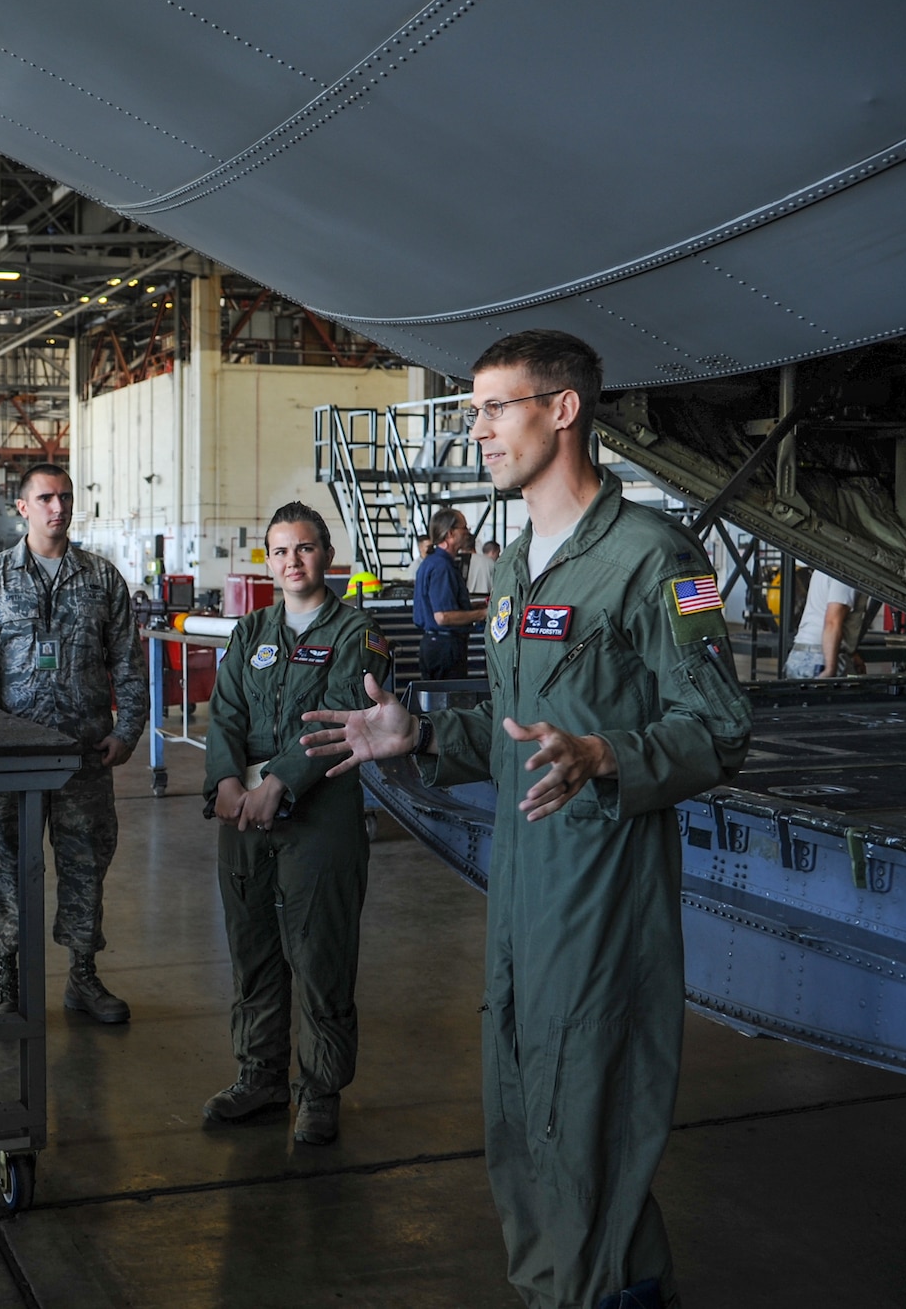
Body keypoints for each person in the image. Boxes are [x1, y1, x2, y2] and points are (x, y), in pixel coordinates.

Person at [303, 330, 752, 1309]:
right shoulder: (509, 567)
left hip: (601, 896)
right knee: (520, 1115)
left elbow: (718, 723)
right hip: (521, 892)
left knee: (584, 1111)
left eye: (494, 408)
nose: (477, 431)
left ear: (561, 410)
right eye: (470, 411)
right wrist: (413, 731)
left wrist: (605, 754)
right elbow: (510, 731)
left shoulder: (655, 556)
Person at [200, 502, 390, 1143]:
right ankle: (260, 1077)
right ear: (269, 559)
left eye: (304, 548)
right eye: (280, 551)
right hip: (243, 819)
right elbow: (224, 709)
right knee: (253, 950)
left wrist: (277, 783)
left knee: (319, 953)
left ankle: (320, 1091)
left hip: (320, 814)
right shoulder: (251, 632)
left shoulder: (356, 633)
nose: (292, 561)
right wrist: (227, 782)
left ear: (326, 556)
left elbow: (345, 718)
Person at [0, 462, 148, 1022]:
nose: (57, 507)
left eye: (64, 497)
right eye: (45, 498)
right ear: (22, 507)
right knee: (2, 863)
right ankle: (4, 977)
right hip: (9, 762)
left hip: (84, 756)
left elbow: (128, 665)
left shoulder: (101, 579)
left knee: (86, 863)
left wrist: (127, 730)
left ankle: (83, 977)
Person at [412, 506, 486, 680]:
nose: (467, 532)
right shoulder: (442, 567)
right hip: (445, 648)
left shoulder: (433, 562)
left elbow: (443, 606)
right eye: (464, 527)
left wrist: (473, 606)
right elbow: (443, 617)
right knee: (450, 702)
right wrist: (482, 613)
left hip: (437, 645)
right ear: (450, 533)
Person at [785, 568, 857, 678]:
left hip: (799, 655)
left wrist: (851, 654)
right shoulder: (847, 574)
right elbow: (832, 622)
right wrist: (830, 670)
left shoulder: (823, 567)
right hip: (821, 659)